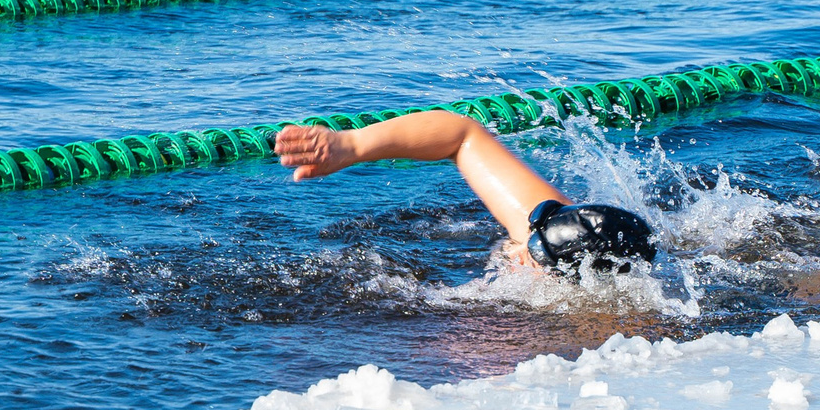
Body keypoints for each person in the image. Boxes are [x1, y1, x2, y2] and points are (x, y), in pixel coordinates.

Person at [274, 110, 656, 271]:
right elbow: (461, 134)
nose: (523, 243)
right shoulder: (565, 243)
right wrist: (352, 145)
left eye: (535, 243)